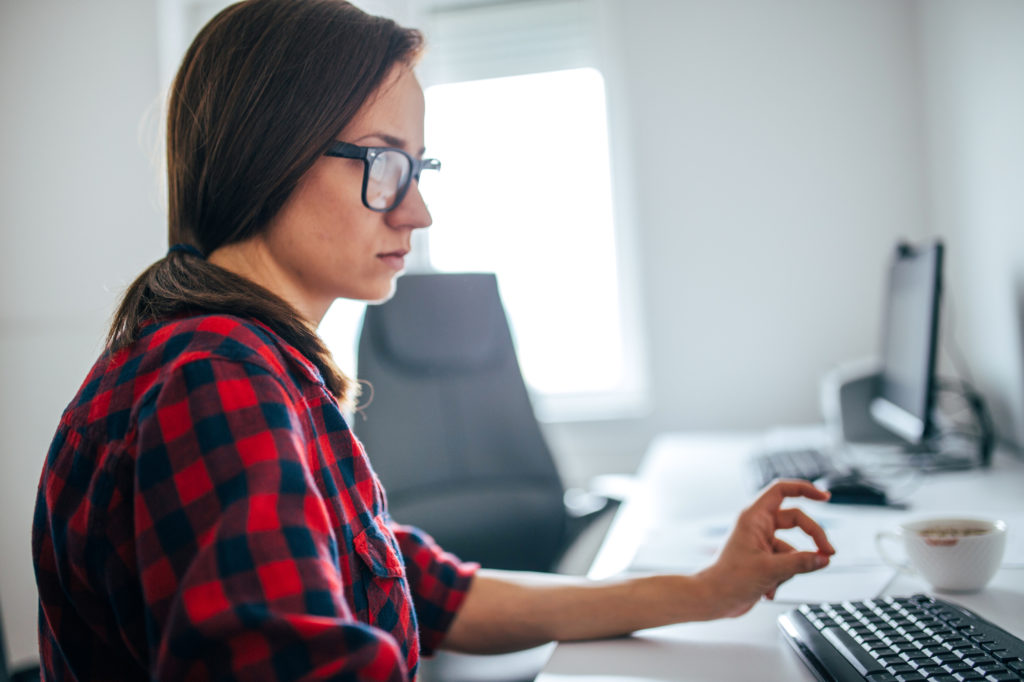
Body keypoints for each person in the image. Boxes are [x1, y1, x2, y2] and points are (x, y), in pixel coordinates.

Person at [31, 0, 836, 679]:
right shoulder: (217, 379)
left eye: (421, 171)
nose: (417, 213)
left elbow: (437, 593)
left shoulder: (250, 367)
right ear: (269, 154)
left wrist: (706, 591)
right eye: (385, 165)